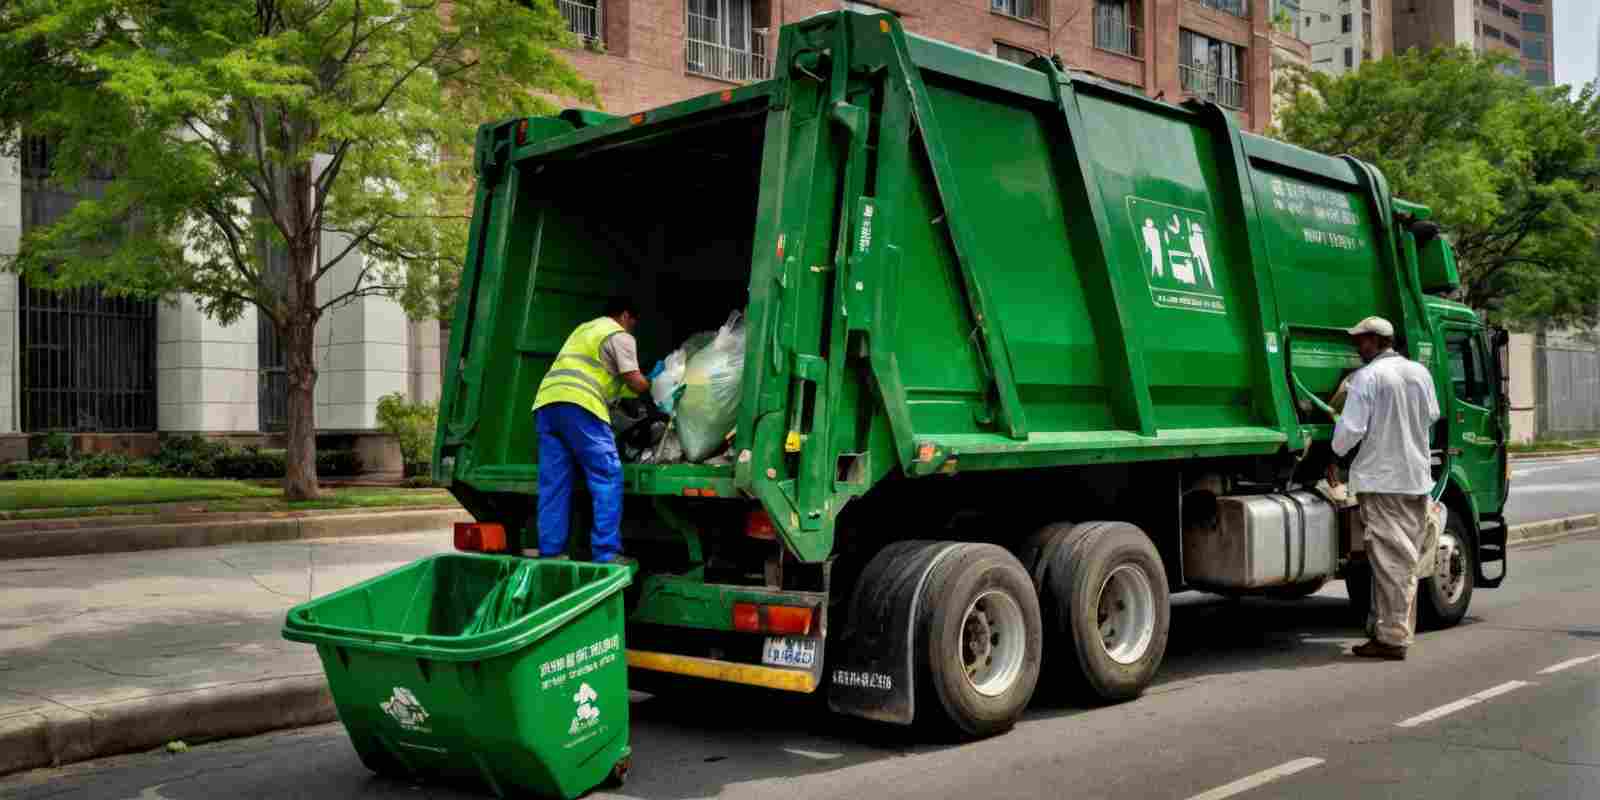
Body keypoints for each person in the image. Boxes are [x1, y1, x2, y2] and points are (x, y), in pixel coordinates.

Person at [1328, 316, 1441, 661]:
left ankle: (1392, 639)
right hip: (1415, 479)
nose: (1356, 347)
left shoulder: (1368, 377)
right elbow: (1433, 414)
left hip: (1383, 480)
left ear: (1377, 341)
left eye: (1361, 341)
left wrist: (1334, 456)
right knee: (1404, 559)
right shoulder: (1420, 373)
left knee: (1391, 562)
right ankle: (1390, 630)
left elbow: (1351, 429)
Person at [531, 296, 658, 564]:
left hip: (547, 404)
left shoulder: (585, 330)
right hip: (581, 405)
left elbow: (609, 380)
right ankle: (606, 552)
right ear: (625, 316)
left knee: (554, 483)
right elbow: (634, 381)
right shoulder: (618, 334)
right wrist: (654, 387)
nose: (632, 328)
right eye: (632, 323)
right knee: (607, 473)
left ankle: (551, 553)